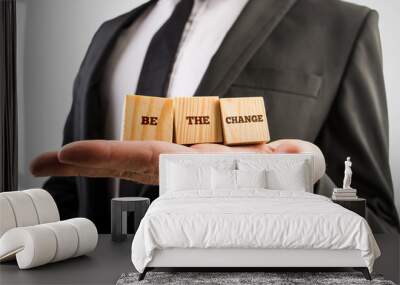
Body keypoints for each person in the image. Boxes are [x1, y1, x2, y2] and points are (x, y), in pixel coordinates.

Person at [30, 0, 400, 234]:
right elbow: (71, 189)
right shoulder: (110, 34)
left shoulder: (341, 26)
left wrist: (280, 180)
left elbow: (379, 223)